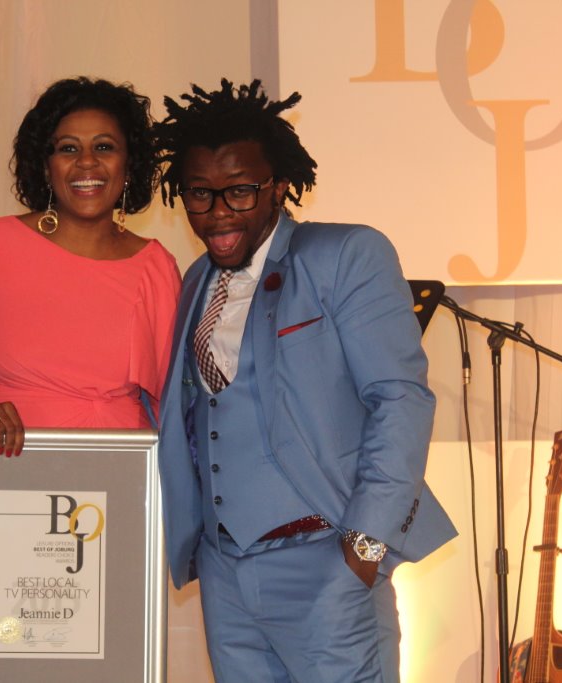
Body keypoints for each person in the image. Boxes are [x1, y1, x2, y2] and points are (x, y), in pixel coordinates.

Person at [154, 79, 457, 682]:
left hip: (327, 563)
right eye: (199, 194)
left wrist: (364, 549)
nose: (218, 212)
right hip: (225, 574)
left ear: (278, 185)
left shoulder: (344, 254)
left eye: (240, 191)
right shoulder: (195, 281)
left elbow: (400, 400)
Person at [0, 77, 180, 452]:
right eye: (68, 148)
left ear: (129, 165)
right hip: (13, 467)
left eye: (104, 146)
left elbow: (175, 400)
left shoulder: (156, 265)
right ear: (46, 167)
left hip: (124, 469)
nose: (87, 161)